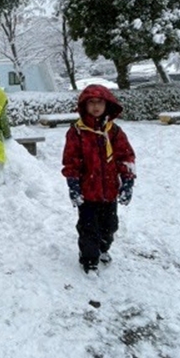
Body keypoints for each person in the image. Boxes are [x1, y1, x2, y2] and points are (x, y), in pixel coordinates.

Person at [61, 84, 136, 274]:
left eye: (100, 102)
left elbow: (125, 157)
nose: (95, 107)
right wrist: (74, 186)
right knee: (88, 228)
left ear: (107, 105)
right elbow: (71, 162)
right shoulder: (76, 132)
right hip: (87, 192)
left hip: (109, 190)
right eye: (91, 103)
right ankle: (88, 258)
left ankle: (103, 248)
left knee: (109, 226)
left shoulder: (114, 132)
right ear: (84, 106)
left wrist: (127, 182)